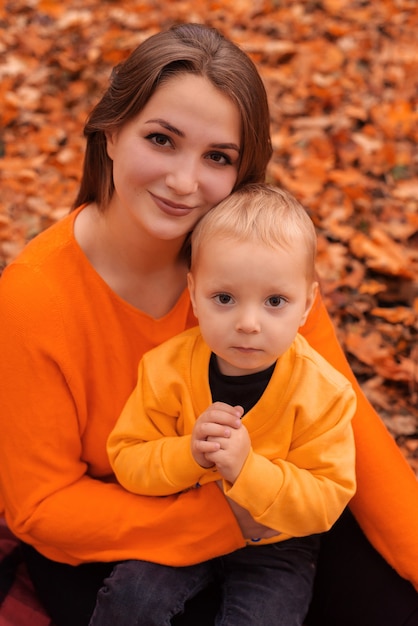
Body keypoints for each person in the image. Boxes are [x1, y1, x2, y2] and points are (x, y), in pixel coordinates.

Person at [0, 21, 416, 626]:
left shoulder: (255, 270)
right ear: (110, 132)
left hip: (277, 515)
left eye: (217, 156)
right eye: (162, 139)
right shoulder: (33, 297)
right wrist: (228, 519)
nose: (184, 181)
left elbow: (346, 417)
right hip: (118, 542)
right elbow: (43, 506)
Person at [89, 183, 357, 626]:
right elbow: (128, 458)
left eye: (275, 301)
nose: (248, 324)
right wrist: (188, 453)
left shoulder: (323, 392)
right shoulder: (166, 368)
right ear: (194, 294)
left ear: (307, 303)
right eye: (225, 298)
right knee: (129, 598)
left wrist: (247, 470)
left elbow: (326, 500)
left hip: (275, 543)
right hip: (181, 519)